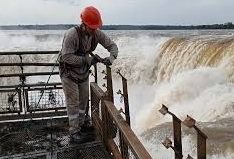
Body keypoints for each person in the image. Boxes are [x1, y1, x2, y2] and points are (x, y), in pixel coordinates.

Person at [59, 6, 118, 144]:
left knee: (84, 100)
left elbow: (112, 46)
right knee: (73, 102)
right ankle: (74, 132)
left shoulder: (96, 34)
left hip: (83, 73)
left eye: (95, 27)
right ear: (84, 24)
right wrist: (86, 60)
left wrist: (111, 57)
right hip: (68, 73)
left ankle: (82, 123)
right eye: (91, 27)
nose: (93, 30)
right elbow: (66, 57)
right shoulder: (71, 34)